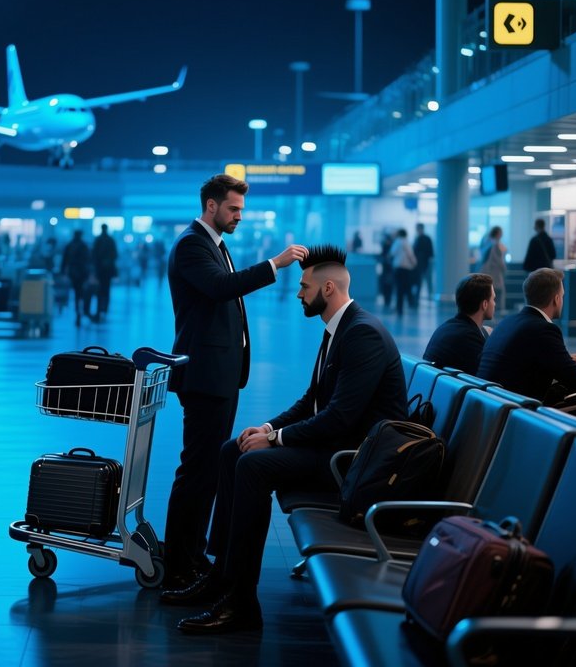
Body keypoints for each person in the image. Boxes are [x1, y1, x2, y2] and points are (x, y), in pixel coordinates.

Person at [162, 245, 408, 633]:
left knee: (254, 467)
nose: (298, 294)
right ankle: (222, 577)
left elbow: (339, 418)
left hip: (354, 461)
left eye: (304, 287)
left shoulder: (362, 334)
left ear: (328, 289)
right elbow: (312, 400)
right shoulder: (340, 328)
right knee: (232, 450)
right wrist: (266, 428)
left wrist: (276, 440)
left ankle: (242, 603)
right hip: (336, 447)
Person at [162, 173, 308, 591]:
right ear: (211, 205)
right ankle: (178, 563)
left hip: (220, 374)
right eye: (233, 208)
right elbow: (220, 287)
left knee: (207, 470)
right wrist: (275, 264)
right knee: (197, 471)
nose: (239, 216)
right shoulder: (192, 244)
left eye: (241, 209)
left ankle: (192, 555)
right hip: (205, 375)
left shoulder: (214, 244)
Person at [477, 267, 576, 402]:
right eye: (562, 296)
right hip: (517, 409)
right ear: (556, 299)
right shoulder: (543, 330)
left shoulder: (507, 322)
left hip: (493, 403)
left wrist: (569, 363)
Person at [422, 273, 495, 376]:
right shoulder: (469, 338)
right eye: (493, 299)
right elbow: (490, 375)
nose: (494, 304)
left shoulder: (448, 327)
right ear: (485, 304)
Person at [60, 230, 91, 327]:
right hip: (82, 273)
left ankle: (78, 310)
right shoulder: (84, 246)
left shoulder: (70, 245)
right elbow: (89, 260)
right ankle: (81, 310)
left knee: (76, 292)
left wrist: (63, 272)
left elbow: (64, 260)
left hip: (73, 273)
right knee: (81, 292)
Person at [91, 223, 118, 320]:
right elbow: (115, 254)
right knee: (106, 290)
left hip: (100, 270)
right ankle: (105, 309)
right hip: (107, 270)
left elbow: (93, 255)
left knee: (99, 290)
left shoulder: (98, 240)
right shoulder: (110, 240)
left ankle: (99, 310)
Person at [389, 228, 417, 316]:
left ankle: (399, 308)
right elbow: (410, 254)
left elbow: (392, 253)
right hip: (406, 269)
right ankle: (410, 303)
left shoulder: (397, 242)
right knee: (406, 287)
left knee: (399, 288)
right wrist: (415, 263)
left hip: (398, 268)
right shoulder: (407, 242)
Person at [481, 225, 507, 313]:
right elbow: (499, 260)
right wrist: (504, 269)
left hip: (487, 271)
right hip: (494, 273)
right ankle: (498, 311)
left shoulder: (487, 243)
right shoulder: (495, 245)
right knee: (498, 293)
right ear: (498, 233)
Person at [412, 223, 434, 301]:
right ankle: (417, 297)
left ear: (421, 229)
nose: (417, 230)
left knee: (428, 280)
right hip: (418, 264)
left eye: (418, 228)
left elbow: (430, 253)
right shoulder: (417, 239)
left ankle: (430, 296)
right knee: (418, 281)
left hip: (426, 263)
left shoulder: (426, 239)